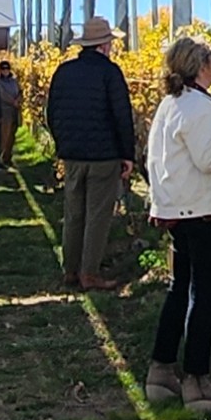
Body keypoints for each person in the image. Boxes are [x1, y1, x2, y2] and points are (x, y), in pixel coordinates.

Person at [141, 34, 211, 412]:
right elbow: (208, 158)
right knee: (204, 298)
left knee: (179, 290)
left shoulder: (172, 104)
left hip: (178, 212)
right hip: (207, 212)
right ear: (202, 66)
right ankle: (197, 384)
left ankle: (161, 373)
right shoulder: (199, 107)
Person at [47, 16, 137, 289]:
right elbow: (122, 116)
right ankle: (90, 273)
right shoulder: (110, 73)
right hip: (104, 155)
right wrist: (127, 154)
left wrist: (63, 143)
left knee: (74, 212)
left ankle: (70, 270)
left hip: (72, 155)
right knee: (97, 214)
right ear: (104, 45)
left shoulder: (64, 72)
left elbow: (52, 113)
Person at [0, 54, 23, 171]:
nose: (5, 71)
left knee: (12, 136)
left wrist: (18, 100)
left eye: (7, 69)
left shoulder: (14, 81)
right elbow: (2, 95)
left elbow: (20, 91)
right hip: (5, 111)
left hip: (15, 111)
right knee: (4, 135)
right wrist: (13, 101)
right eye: (3, 69)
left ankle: (8, 157)